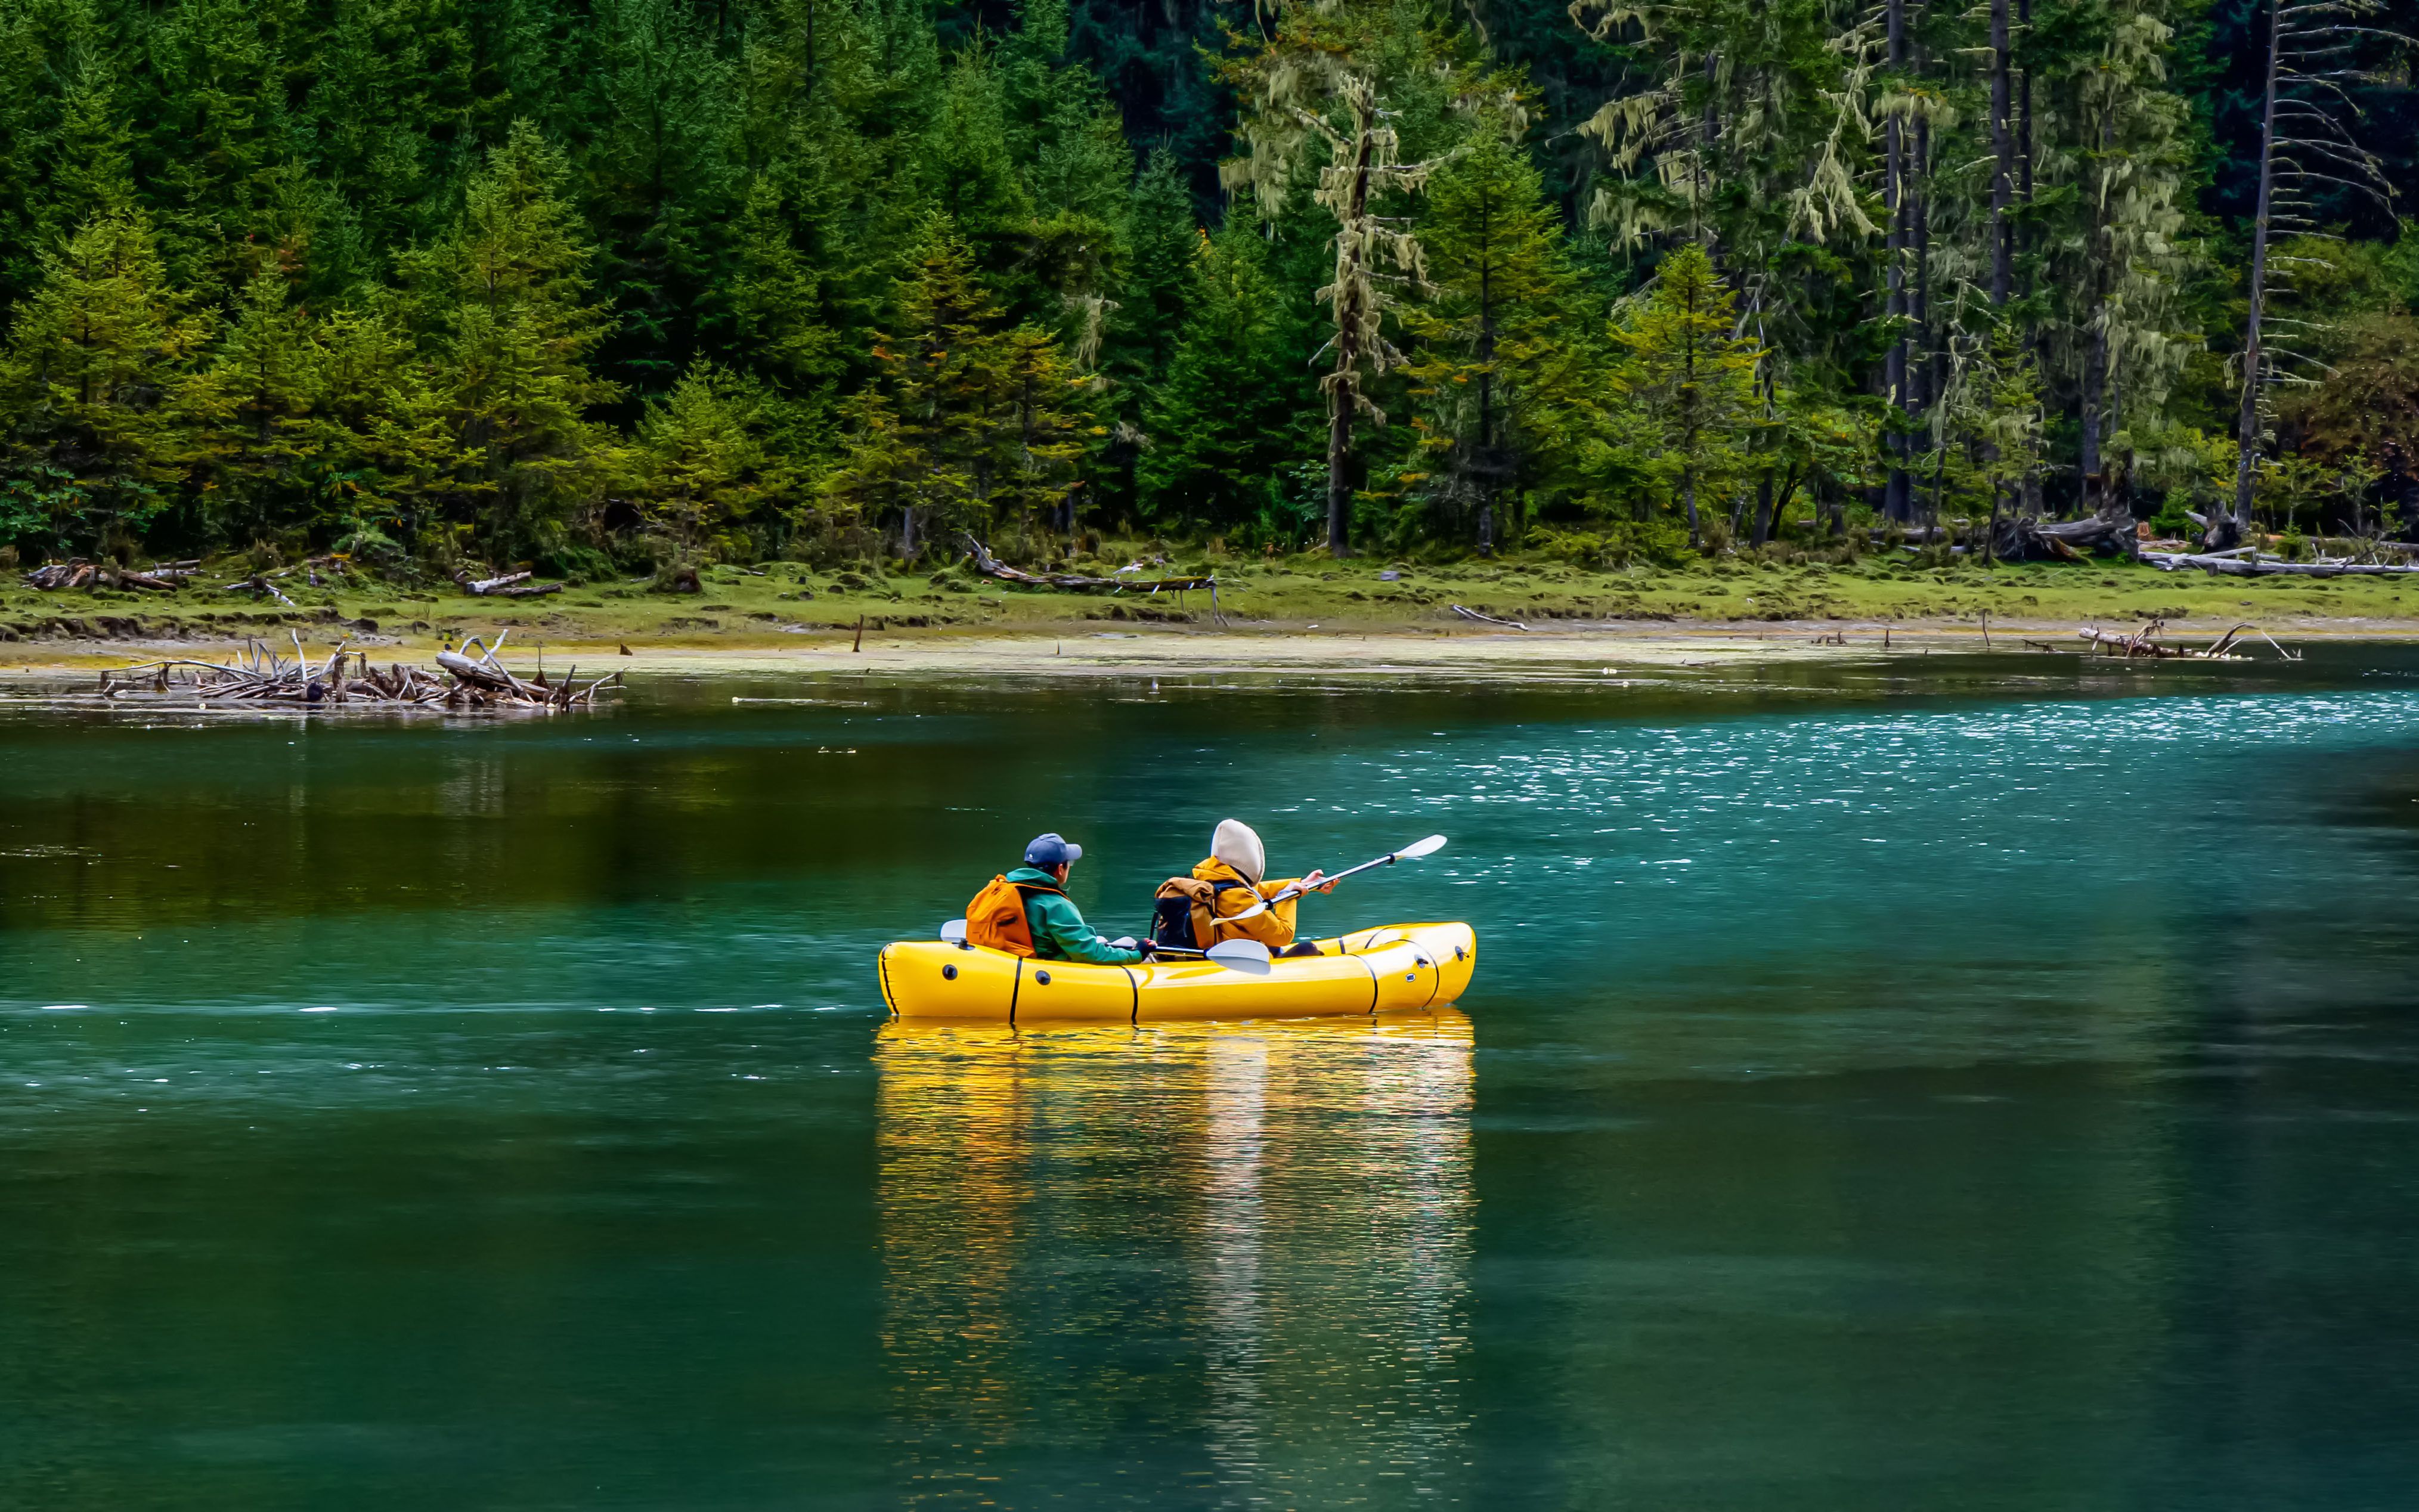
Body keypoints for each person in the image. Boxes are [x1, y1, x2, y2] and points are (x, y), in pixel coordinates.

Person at [1153, 819, 1334, 956]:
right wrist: (1288, 897)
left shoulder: (1210, 880)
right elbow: (1282, 935)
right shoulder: (1238, 897)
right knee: (1307, 948)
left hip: (1211, 953)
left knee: (1274, 947)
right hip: (1232, 964)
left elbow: (1254, 891)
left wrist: (1305, 884)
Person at [965, 832, 1146, 964]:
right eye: (1070, 864)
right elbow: (1088, 952)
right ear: (1060, 869)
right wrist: (1138, 954)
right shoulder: (1056, 905)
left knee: (1116, 941)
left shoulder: (1004, 889)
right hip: (1048, 970)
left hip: (1011, 963)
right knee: (1130, 944)